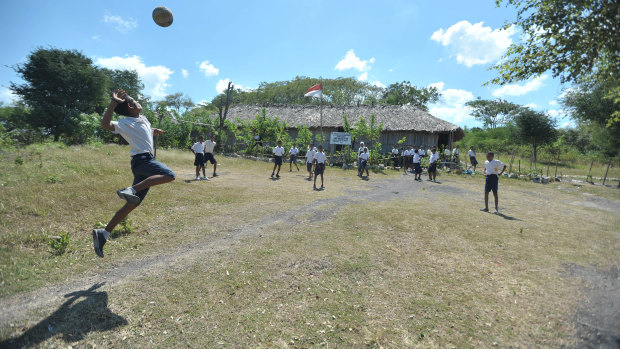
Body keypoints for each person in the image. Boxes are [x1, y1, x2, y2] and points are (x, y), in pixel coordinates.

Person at [92, 89, 175, 258]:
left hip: (143, 162)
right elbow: (105, 125)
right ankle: (130, 189)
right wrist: (114, 103)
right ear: (130, 107)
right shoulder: (124, 122)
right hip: (143, 161)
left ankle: (104, 233)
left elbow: (143, 130)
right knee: (169, 175)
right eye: (135, 101)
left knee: (132, 204)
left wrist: (154, 131)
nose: (139, 102)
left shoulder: (142, 118)